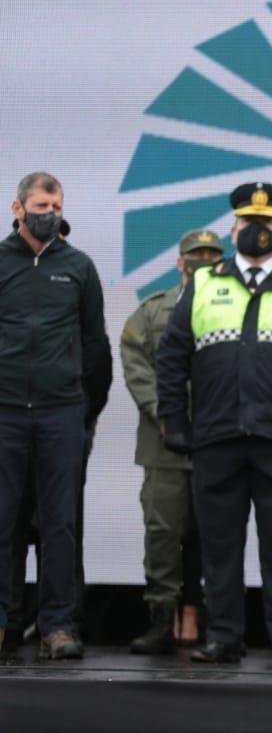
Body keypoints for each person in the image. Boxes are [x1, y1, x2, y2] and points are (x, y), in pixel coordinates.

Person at [156, 182, 272, 665]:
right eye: (248, 223)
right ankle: (223, 637)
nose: (257, 231)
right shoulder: (203, 283)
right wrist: (174, 419)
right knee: (219, 546)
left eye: (267, 224)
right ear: (233, 228)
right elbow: (171, 356)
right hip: (216, 435)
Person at [0, 173, 112, 660]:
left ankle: (58, 625)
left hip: (60, 415)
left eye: (57, 206)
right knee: (3, 519)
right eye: (42, 206)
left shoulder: (78, 266)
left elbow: (95, 345)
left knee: (60, 523)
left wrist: (85, 411)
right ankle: (4, 621)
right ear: (18, 208)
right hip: (4, 412)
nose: (50, 214)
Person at [120, 229, 223, 654]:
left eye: (212, 256)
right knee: (162, 533)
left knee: (217, 534)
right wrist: (163, 412)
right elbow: (134, 360)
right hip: (163, 441)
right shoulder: (152, 311)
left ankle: (216, 624)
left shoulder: (234, 306)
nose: (203, 262)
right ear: (180, 262)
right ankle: (161, 619)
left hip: (218, 440)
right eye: (196, 255)